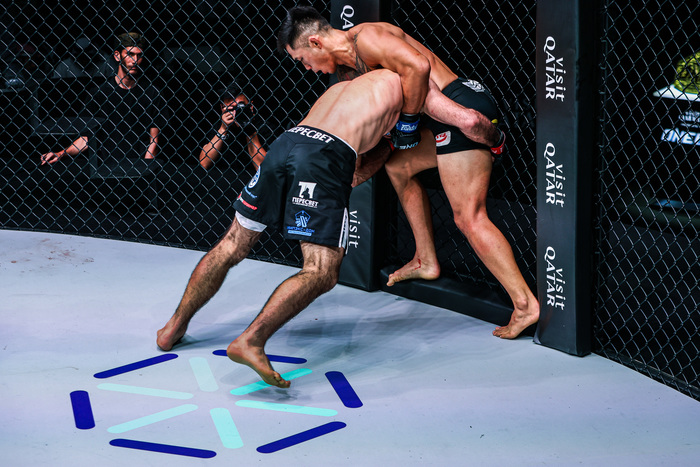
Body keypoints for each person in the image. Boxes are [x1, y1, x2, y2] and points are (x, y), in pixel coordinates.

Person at [277, 6, 539, 339]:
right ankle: (426, 260)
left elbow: (420, 70)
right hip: (441, 117)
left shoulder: (366, 38)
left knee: (469, 217)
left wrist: (415, 124)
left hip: (458, 105)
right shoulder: (350, 71)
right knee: (399, 166)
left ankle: (525, 304)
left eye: (303, 60)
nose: (308, 69)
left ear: (315, 42)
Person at [156, 69, 404, 388]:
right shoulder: (401, 85)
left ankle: (172, 328)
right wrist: (395, 142)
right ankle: (252, 340)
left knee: (231, 245)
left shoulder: (341, 89)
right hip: (324, 157)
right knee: (321, 270)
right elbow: (356, 172)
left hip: (288, 141)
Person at [40, 32, 166, 169]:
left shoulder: (152, 93)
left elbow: (154, 142)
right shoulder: (99, 93)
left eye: (139, 55)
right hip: (107, 169)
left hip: (139, 166)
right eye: (130, 54)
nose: (135, 60)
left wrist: (143, 169)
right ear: (117, 55)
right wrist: (61, 153)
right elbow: (86, 139)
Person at [198, 85, 266, 170]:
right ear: (222, 108)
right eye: (231, 109)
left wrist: (249, 130)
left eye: (240, 108)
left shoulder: (263, 126)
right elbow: (204, 163)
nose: (235, 113)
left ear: (251, 106)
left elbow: (265, 168)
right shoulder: (219, 126)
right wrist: (223, 129)